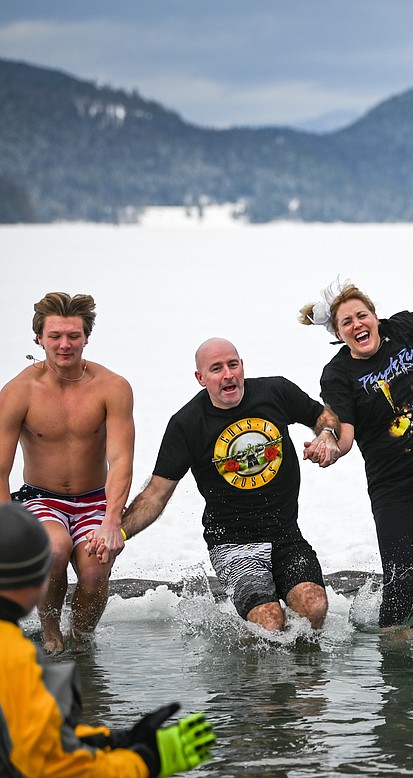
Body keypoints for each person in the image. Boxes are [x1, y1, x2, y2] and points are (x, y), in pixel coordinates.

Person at [111, 338, 338, 632]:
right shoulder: (187, 423)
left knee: (314, 606)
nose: (228, 374)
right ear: (200, 378)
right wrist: (120, 531)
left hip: (286, 535)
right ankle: (253, 672)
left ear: (242, 366)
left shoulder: (275, 392)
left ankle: (306, 674)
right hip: (232, 543)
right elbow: (156, 494)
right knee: (269, 622)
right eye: (216, 369)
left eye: (233, 364)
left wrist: (327, 434)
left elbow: (322, 415)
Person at [299, 282, 413, 633]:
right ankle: (397, 670)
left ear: (376, 318)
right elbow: (344, 433)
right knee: (400, 587)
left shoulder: (403, 329)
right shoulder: (338, 374)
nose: (357, 324)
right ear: (339, 334)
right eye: (347, 322)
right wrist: (328, 444)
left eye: (362, 315)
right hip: (397, 489)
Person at [0, 502, 216, 777]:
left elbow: (28, 727)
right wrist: (146, 762)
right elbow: (54, 767)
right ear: (38, 582)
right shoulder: (18, 663)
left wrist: (108, 740)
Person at [0, 292, 134, 654]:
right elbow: (0, 468)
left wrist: (111, 521)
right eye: (55, 335)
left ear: (86, 336)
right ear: (39, 338)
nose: (64, 344)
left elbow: (121, 460)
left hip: (94, 499)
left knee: (93, 571)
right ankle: (50, 629)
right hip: (40, 497)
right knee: (54, 550)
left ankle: (82, 638)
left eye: (73, 335)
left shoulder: (112, 387)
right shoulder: (18, 391)